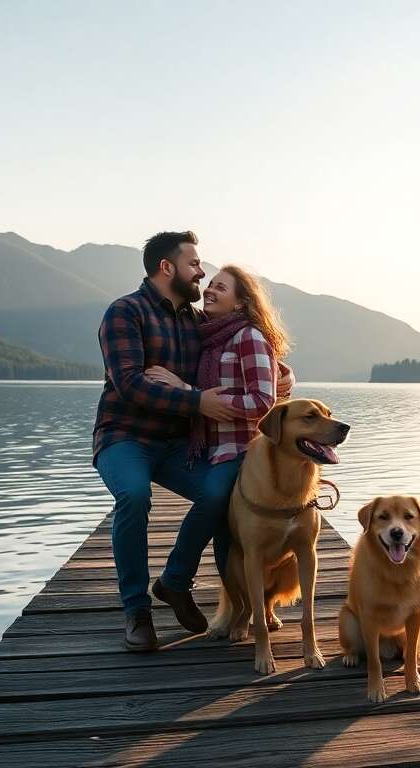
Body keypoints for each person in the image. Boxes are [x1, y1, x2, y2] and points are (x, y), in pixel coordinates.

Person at [92, 231, 292, 651]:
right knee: (133, 495)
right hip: (124, 436)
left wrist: (283, 376)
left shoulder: (195, 321)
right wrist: (195, 401)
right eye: (195, 264)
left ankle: (186, 587)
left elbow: (253, 352)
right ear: (168, 268)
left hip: (180, 444)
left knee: (223, 495)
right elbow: (129, 384)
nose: (202, 272)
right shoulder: (124, 314)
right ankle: (136, 611)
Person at [144, 264, 291, 615]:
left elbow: (263, 401)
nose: (210, 290)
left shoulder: (249, 336)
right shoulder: (210, 336)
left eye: (221, 288)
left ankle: (175, 579)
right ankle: (241, 610)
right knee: (226, 527)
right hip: (212, 450)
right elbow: (276, 376)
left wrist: (193, 394)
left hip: (244, 451)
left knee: (212, 496)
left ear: (241, 303)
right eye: (210, 284)